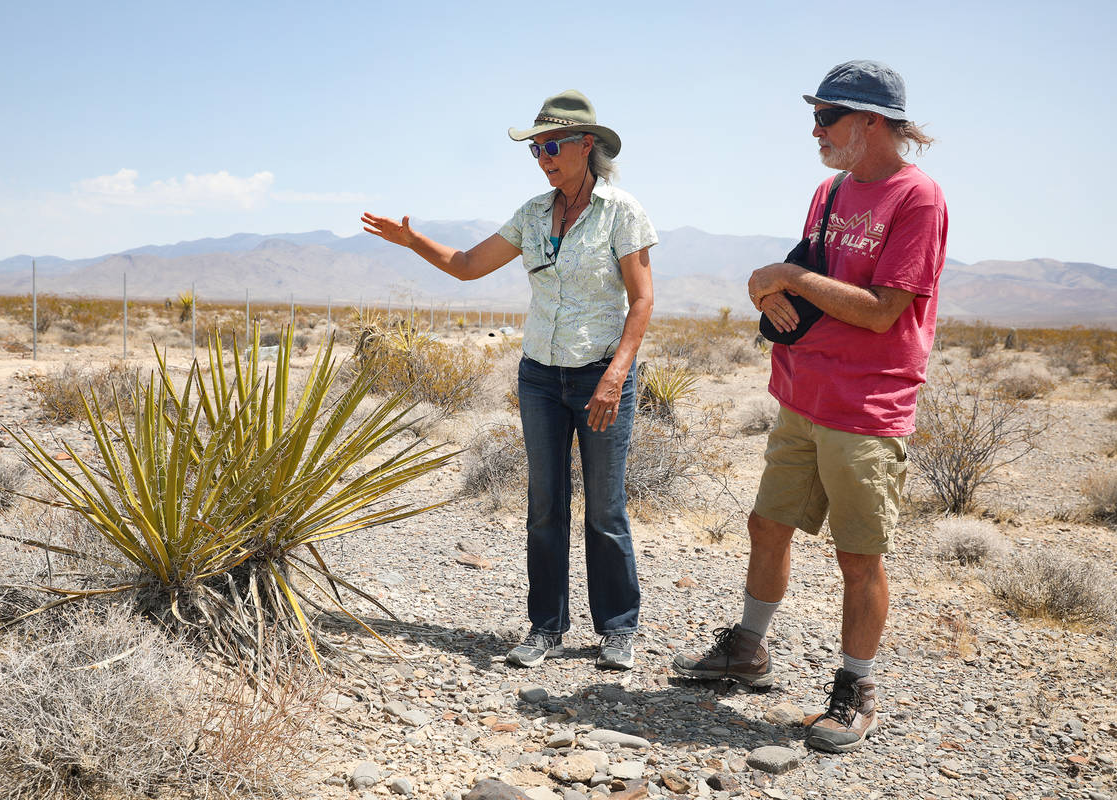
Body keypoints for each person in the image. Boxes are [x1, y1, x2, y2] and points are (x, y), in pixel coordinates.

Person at [672, 60, 947, 753]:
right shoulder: (828, 194)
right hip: (800, 394)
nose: (815, 130)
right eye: (816, 115)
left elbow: (886, 312)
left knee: (859, 556)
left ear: (872, 123)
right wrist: (771, 293)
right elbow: (816, 289)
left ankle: (855, 689)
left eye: (827, 117)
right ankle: (749, 650)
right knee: (769, 525)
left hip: (866, 406)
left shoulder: (917, 199)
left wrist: (790, 276)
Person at [361, 89, 656, 671]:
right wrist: (412, 240)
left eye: (551, 145)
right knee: (544, 506)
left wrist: (615, 376)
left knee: (605, 508)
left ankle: (617, 630)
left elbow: (643, 300)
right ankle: (545, 628)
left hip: (601, 375)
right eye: (536, 149)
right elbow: (468, 266)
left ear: (585, 146)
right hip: (541, 379)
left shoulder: (623, 211)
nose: (542, 156)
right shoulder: (531, 213)